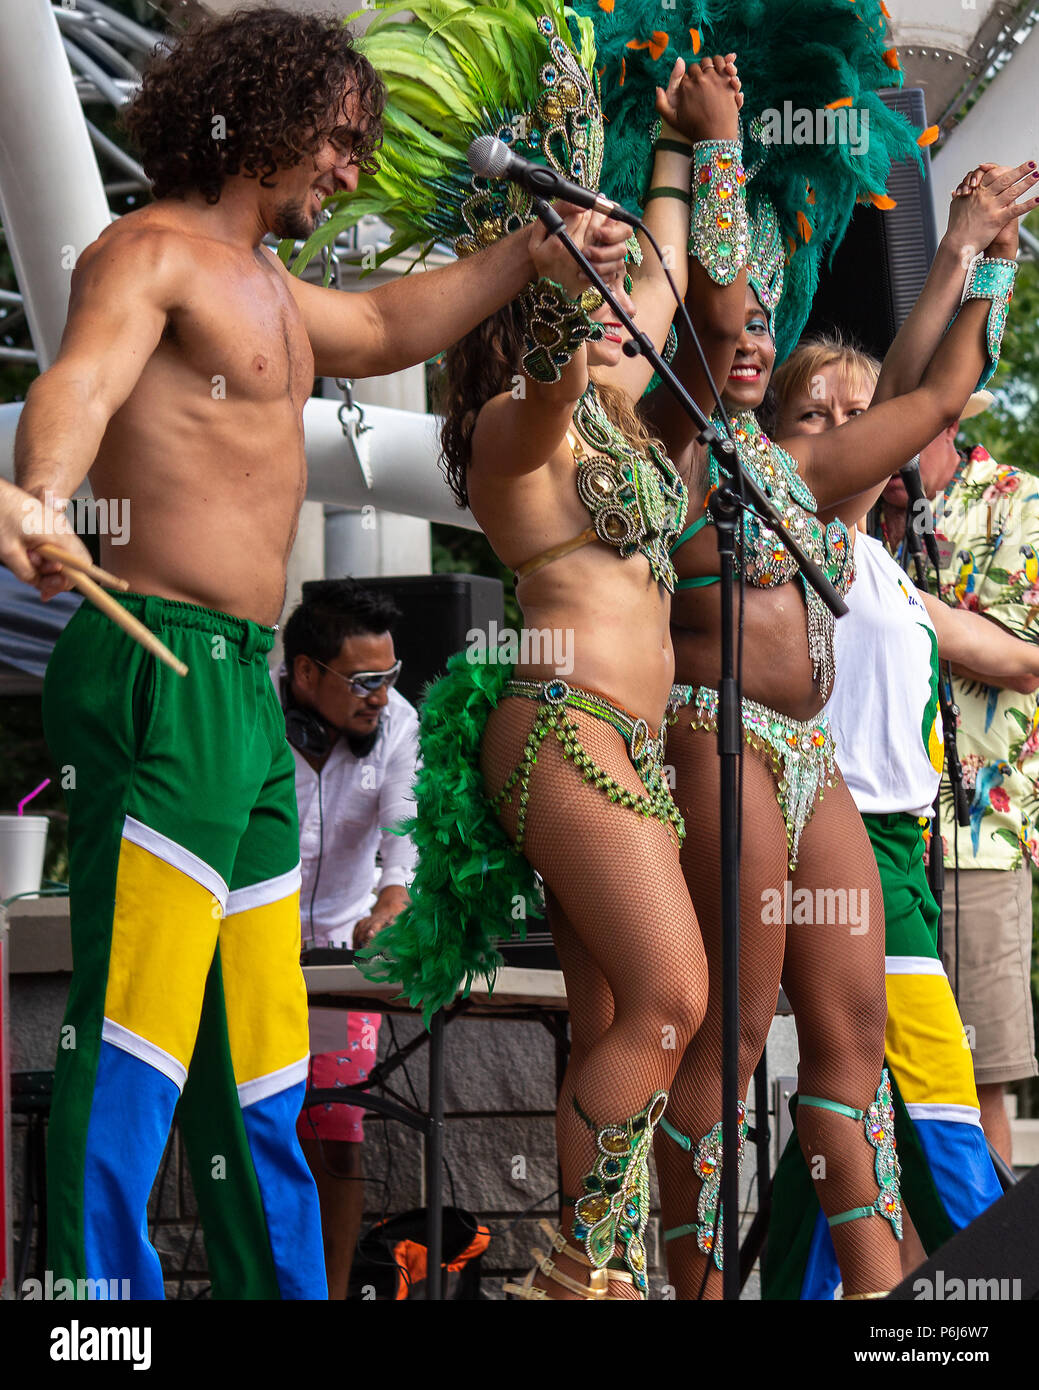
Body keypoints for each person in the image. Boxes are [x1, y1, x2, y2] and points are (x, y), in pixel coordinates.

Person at [14, 7, 629, 1300]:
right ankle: (91, 1319)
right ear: (272, 120)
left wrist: (533, 249)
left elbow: (397, 323)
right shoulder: (147, 251)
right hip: (159, 661)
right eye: (342, 141)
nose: (351, 170)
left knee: (262, 1055)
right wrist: (40, 491)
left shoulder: (277, 294)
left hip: (239, 675)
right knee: (131, 1034)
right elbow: (81, 376)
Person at [345, 0, 745, 1300]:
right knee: (673, 999)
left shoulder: (614, 406)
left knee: (618, 1019)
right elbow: (571, 365)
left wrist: (684, 148)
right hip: (563, 728)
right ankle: (578, 1271)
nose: (611, 300)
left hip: (614, 741)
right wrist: (554, 265)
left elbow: (663, 279)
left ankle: (599, 1272)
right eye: (570, 284)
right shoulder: (520, 433)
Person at [641, 100, 1031, 1299]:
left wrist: (991, 266)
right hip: (726, 751)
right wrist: (709, 144)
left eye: (771, 317)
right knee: (739, 1042)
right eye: (739, 323)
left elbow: (939, 392)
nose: (751, 334)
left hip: (835, 790)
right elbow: (707, 310)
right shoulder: (677, 446)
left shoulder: (812, 484)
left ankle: (886, 1308)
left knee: (860, 1066)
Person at [763, 337, 1039, 1299]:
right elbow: (923, 386)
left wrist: (971, 260)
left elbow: (1020, 657)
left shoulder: (880, 571)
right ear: (769, 447)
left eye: (857, 415)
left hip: (904, 852)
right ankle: (1002, 1294)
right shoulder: (783, 556)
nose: (845, 434)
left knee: (849, 1101)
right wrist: (958, 261)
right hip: (839, 846)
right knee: (939, 1112)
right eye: (814, 417)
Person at [280, 579, 418, 1300]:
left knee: (336, 1136)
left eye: (389, 676)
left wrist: (392, 898)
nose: (379, 695)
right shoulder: (253, 718)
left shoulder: (397, 721)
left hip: (339, 952)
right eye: (364, 680)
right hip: (251, 949)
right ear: (306, 673)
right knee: (260, 1125)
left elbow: (404, 827)